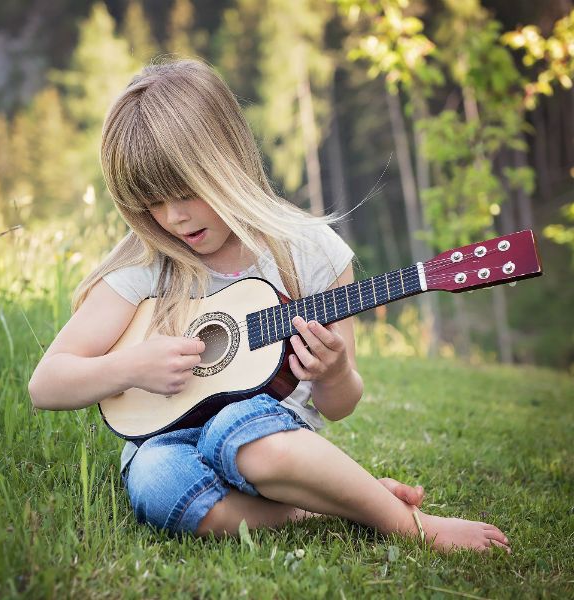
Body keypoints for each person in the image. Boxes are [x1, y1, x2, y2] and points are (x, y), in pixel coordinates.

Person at [28, 59, 510, 553]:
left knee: (241, 430)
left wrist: (334, 373)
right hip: (165, 439)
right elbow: (46, 384)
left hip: (270, 438)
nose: (173, 218)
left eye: (186, 193)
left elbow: (339, 406)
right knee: (153, 482)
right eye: (152, 203)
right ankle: (330, 504)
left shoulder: (309, 251)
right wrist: (129, 366)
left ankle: (410, 525)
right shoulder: (147, 264)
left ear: (227, 161)